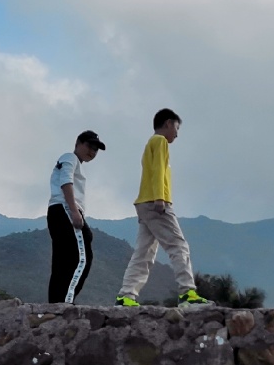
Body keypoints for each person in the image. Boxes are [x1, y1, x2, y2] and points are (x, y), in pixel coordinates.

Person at [115, 108, 210, 307]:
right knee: (178, 245)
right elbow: (159, 169)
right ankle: (187, 292)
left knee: (144, 252)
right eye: (176, 128)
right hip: (156, 202)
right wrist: (160, 198)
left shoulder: (150, 143)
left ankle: (126, 295)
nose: (177, 134)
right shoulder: (160, 141)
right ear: (167, 123)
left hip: (144, 204)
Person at [47, 129, 105, 303]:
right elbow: (66, 181)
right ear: (78, 143)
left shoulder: (73, 162)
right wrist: (74, 210)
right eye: (89, 146)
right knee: (81, 258)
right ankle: (66, 302)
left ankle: (55, 304)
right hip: (65, 208)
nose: (92, 151)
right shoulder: (70, 157)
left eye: (96, 149)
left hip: (58, 211)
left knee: (62, 260)